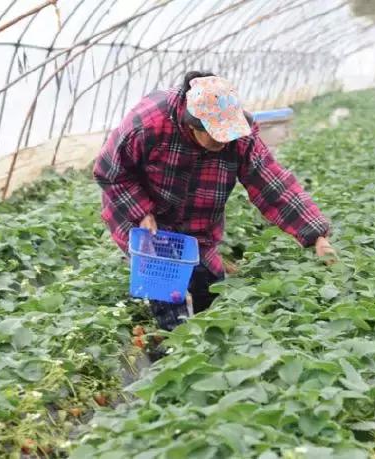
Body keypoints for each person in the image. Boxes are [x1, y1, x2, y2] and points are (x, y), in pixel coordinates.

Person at [94, 71, 335, 332]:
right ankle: (172, 349)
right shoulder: (148, 123)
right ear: (192, 124)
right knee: (166, 295)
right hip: (146, 217)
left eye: (228, 134)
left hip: (199, 221)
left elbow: (272, 183)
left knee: (210, 286)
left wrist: (315, 235)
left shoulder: (238, 135)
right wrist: (141, 211)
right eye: (216, 134)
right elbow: (110, 171)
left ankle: (209, 345)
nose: (224, 140)